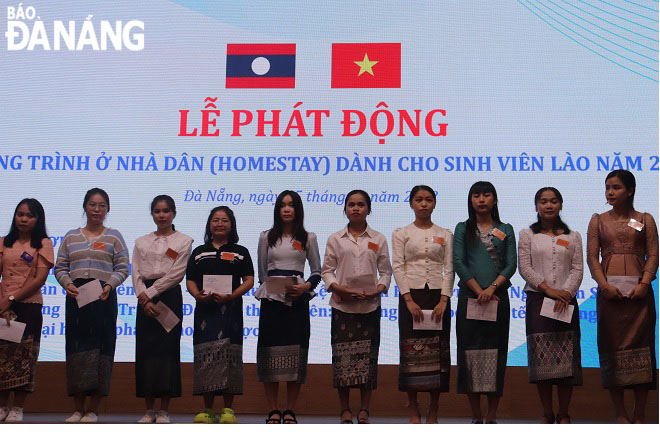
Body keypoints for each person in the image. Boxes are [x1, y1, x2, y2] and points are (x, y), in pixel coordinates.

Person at [586, 170, 658, 424]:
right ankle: (620, 414)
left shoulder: (644, 219)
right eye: (607, 187)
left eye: (616, 187)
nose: (610, 192)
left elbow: (653, 254)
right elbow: (592, 258)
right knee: (611, 348)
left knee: (643, 349)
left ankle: (639, 414)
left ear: (630, 190)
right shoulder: (598, 221)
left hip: (640, 296)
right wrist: (603, 285)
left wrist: (645, 283)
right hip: (609, 296)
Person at [54, 188, 129, 423]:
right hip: (76, 298)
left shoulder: (114, 236)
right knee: (76, 349)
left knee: (101, 350)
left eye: (102, 206)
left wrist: (110, 285)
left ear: (107, 209)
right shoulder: (70, 236)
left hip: (103, 298)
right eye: (92, 205)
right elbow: (60, 267)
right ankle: (78, 408)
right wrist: (67, 284)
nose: (97, 210)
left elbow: (124, 267)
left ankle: (93, 409)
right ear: (85, 207)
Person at [322, 190, 392, 424]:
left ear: (368, 209)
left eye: (361, 205)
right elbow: (326, 271)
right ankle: (344, 409)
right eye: (351, 204)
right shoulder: (335, 238)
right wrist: (338, 288)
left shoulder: (379, 238)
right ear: (345, 209)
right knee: (342, 361)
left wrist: (379, 289)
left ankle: (364, 409)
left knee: (367, 359)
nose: (356, 208)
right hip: (343, 308)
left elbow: (386, 271)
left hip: (369, 306)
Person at [255, 190, 321, 424]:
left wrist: (305, 288)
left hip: (297, 301)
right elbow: (262, 272)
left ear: (297, 209)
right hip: (272, 302)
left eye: (291, 205)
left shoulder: (308, 237)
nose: (286, 209)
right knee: (269, 355)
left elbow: (316, 271)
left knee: (295, 355)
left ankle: (290, 410)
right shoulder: (266, 236)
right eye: (282, 205)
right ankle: (273, 409)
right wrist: (274, 286)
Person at [518, 187, 583, 424]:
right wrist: (548, 289)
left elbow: (577, 268)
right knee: (542, 361)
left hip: (566, 301)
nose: (548, 205)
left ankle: (564, 413)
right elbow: (525, 267)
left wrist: (566, 292)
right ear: (536, 206)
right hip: (539, 301)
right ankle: (547, 413)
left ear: (561, 204)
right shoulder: (527, 235)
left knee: (567, 361)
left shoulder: (574, 236)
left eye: (553, 201)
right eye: (543, 202)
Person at [453, 181, 516, 424]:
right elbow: (459, 262)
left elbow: (512, 264)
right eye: (476, 195)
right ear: (470, 200)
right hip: (470, 297)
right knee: (470, 354)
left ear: (494, 199)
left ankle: (491, 415)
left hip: (497, 297)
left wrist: (491, 289)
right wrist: (479, 290)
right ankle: (476, 415)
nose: (481, 199)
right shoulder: (462, 228)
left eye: (486, 195)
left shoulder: (505, 228)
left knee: (496, 353)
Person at [391, 185, 453, 424]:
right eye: (419, 200)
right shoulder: (401, 233)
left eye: (428, 200)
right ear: (411, 204)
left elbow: (450, 268)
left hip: (438, 297)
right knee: (411, 354)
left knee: (437, 355)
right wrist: (408, 299)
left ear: (435, 203)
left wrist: (444, 300)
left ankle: (434, 409)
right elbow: (398, 266)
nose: (424, 204)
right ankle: (414, 409)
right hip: (411, 298)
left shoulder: (445, 233)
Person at [186, 206, 254, 424]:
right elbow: (190, 280)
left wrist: (232, 295)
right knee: (207, 356)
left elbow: (249, 280)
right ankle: (206, 409)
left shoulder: (240, 251)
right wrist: (198, 295)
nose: (219, 224)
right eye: (215, 220)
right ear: (209, 224)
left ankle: (227, 409)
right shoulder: (199, 252)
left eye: (224, 220)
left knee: (230, 356)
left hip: (231, 310)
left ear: (231, 224)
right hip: (206, 310)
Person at [132, 195, 193, 423]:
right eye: (157, 211)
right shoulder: (141, 241)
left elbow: (177, 273)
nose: (161, 215)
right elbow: (136, 271)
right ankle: (148, 410)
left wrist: (151, 293)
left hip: (169, 295)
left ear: (174, 213)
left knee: (167, 351)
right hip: (144, 297)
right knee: (146, 351)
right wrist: (143, 296)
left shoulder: (184, 241)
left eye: (166, 211)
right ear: (152, 215)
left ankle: (164, 410)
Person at [0, 199, 54, 423]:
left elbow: (40, 279)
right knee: (2, 357)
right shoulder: (4, 242)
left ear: (37, 219)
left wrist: (12, 299)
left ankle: (18, 408)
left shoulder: (43, 243)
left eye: (29, 215)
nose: (23, 219)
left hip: (28, 306)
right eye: (20, 214)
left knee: (25, 357)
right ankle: (2, 406)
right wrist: (2, 304)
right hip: (2, 307)